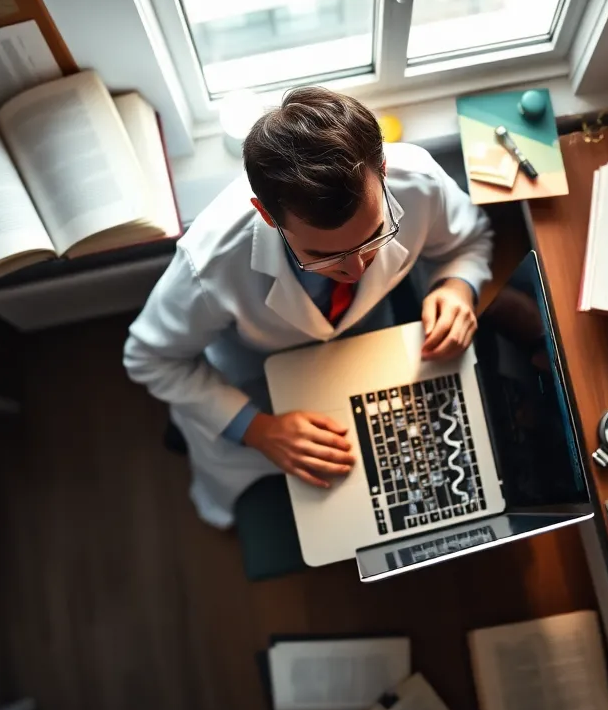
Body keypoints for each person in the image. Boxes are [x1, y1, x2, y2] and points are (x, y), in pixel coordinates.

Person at [123, 87, 493, 528]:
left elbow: (468, 241)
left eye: (375, 234)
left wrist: (456, 286)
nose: (356, 270)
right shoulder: (211, 259)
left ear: (384, 172)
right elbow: (148, 357)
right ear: (266, 214)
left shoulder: (421, 180)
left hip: (374, 353)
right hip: (260, 381)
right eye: (323, 255)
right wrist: (258, 428)